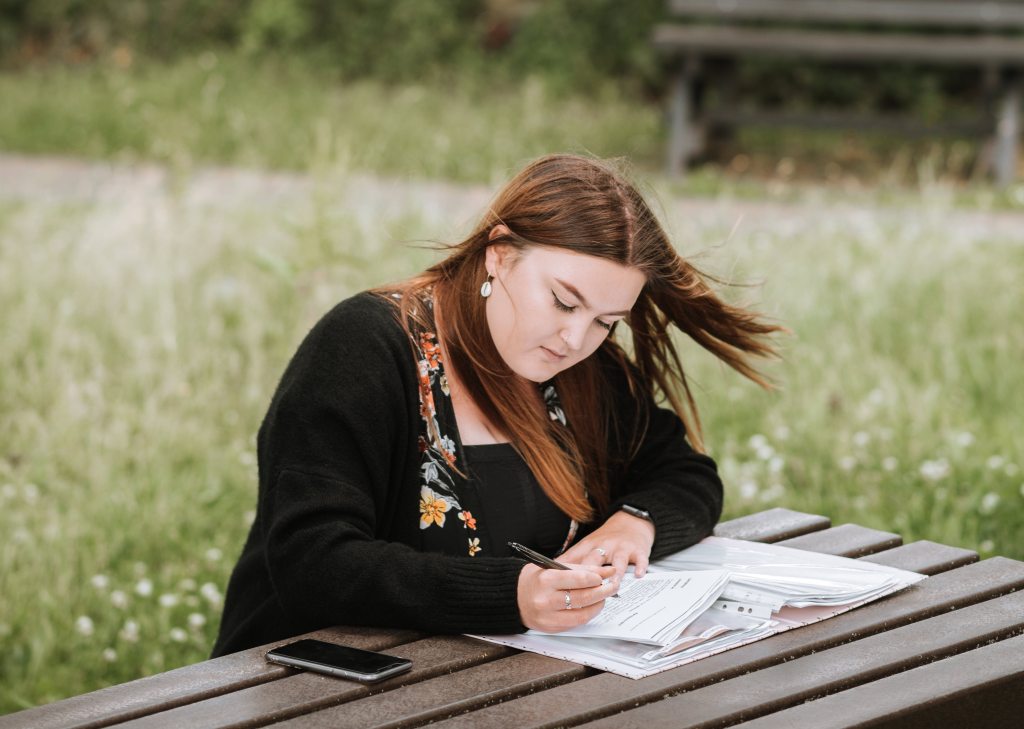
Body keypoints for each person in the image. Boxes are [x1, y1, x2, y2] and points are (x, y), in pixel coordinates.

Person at [211, 154, 781, 657]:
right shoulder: (365, 348)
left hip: (498, 686)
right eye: (562, 301)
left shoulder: (584, 369)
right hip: (315, 686)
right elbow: (313, 563)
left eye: (606, 322)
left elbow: (685, 473)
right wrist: (513, 595)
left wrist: (634, 526)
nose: (574, 339)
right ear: (500, 254)